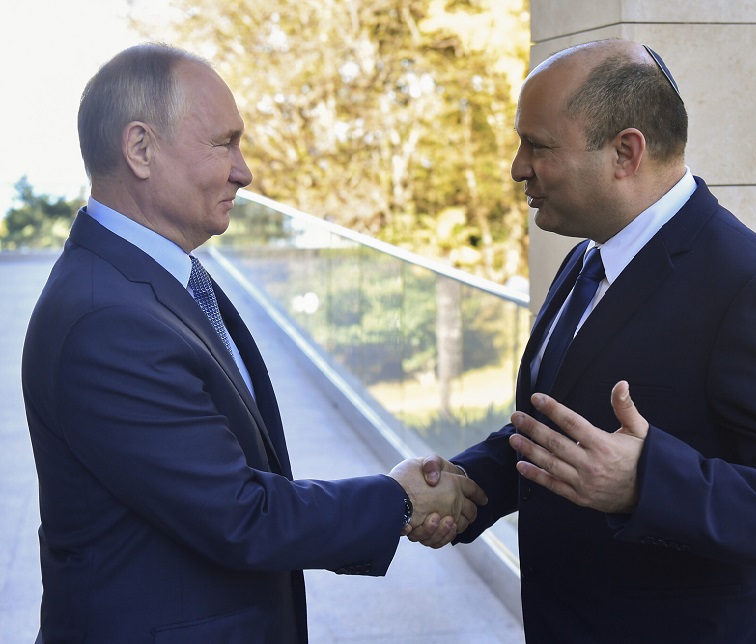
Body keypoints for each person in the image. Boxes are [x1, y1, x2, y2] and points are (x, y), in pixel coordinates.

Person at [21, 43, 486, 644]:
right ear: (140, 149)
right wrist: (398, 500)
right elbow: (238, 515)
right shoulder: (105, 319)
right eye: (224, 144)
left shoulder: (156, 279)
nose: (244, 172)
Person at [412, 38, 756, 643]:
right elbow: (563, 430)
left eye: (538, 146)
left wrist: (648, 482)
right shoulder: (586, 259)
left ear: (626, 152)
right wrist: (464, 485)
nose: (518, 167)